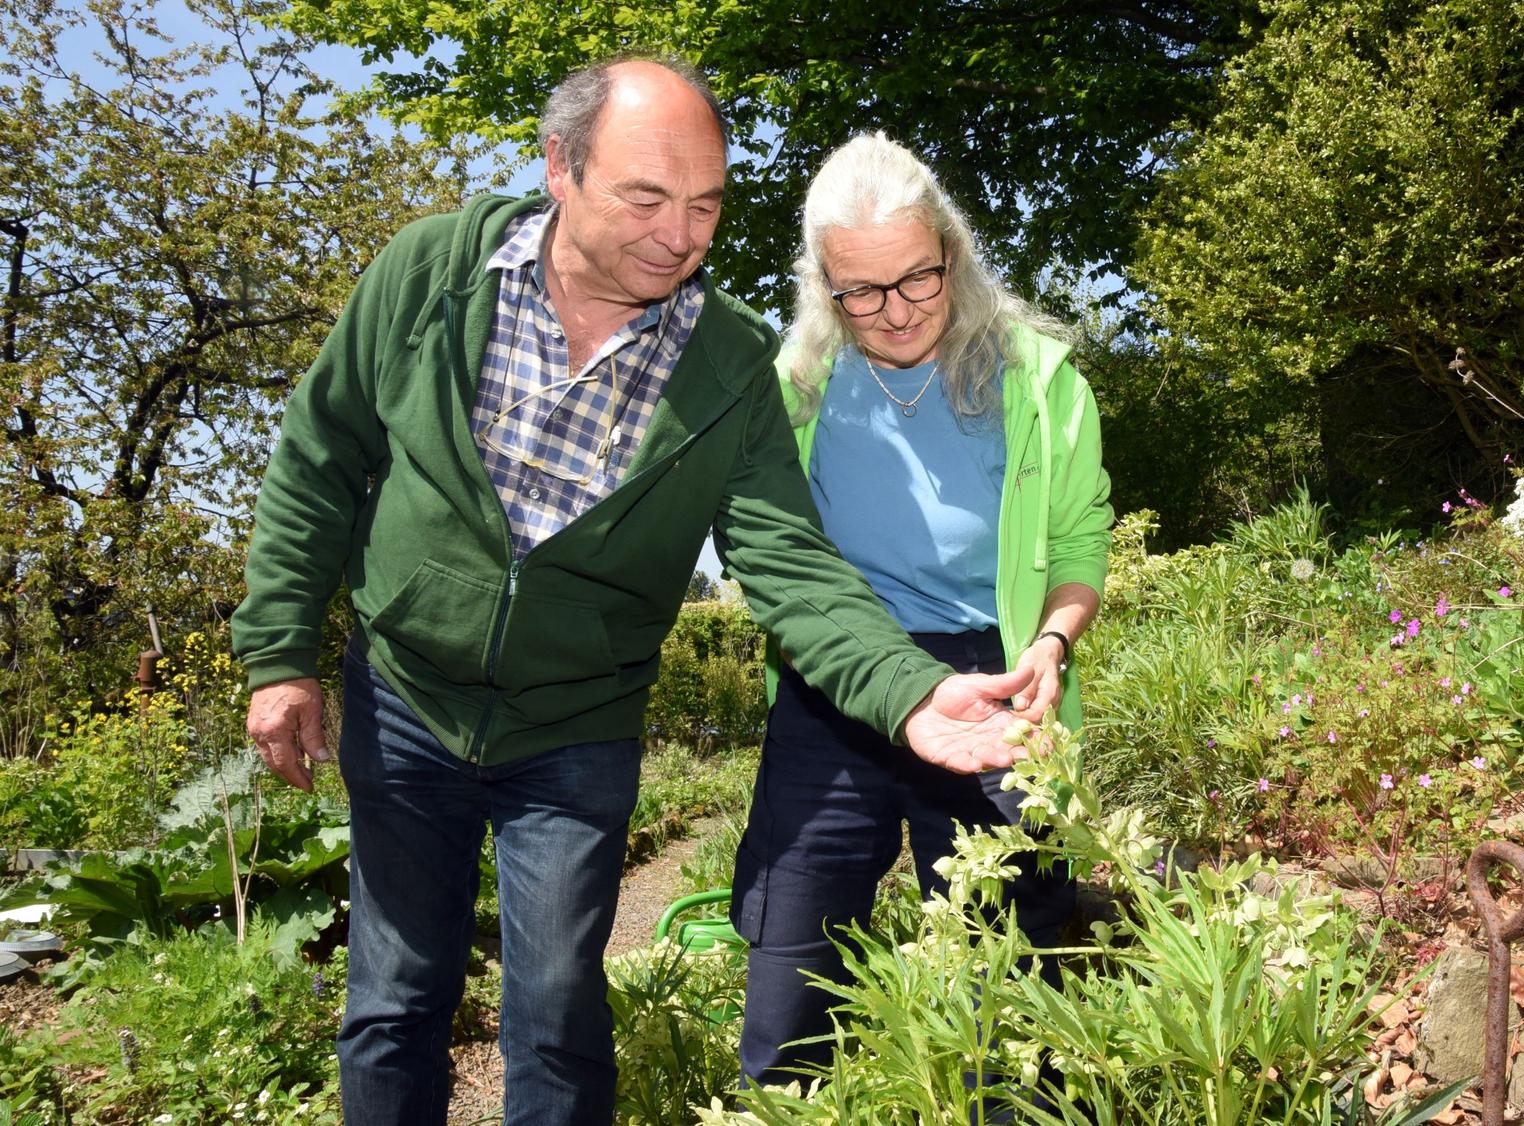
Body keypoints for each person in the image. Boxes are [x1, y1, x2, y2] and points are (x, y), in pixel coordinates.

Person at [231, 59, 1036, 1126]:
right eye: (646, 198)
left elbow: (787, 560)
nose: (680, 235)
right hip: (407, 695)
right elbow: (320, 456)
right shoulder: (432, 273)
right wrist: (281, 654)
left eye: (705, 204)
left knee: (557, 1009)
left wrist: (910, 689)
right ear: (560, 168)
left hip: (578, 725)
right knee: (395, 997)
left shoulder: (728, 363)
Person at [731, 133, 1114, 1085]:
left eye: (916, 279)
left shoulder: (1039, 381)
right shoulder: (793, 389)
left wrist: (1053, 643)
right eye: (860, 293)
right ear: (822, 287)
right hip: (836, 679)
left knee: (1009, 992)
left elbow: (1079, 546)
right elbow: (768, 553)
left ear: (954, 252)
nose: (895, 311)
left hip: (994, 684)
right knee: (793, 980)